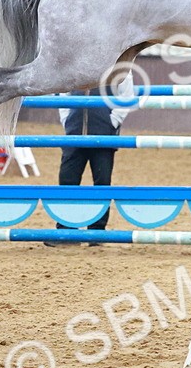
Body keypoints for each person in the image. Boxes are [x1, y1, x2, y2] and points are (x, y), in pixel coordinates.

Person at [45, 81, 133, 246]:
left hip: (103, 134)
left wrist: (112, 121)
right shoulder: (74, 61)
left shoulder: (118, 63)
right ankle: (66, 230)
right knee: (67, 181)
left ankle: (97, 232)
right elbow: (64, 92)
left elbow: (127, 95)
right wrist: (67, 121)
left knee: (101, 183)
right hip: (74, 132)